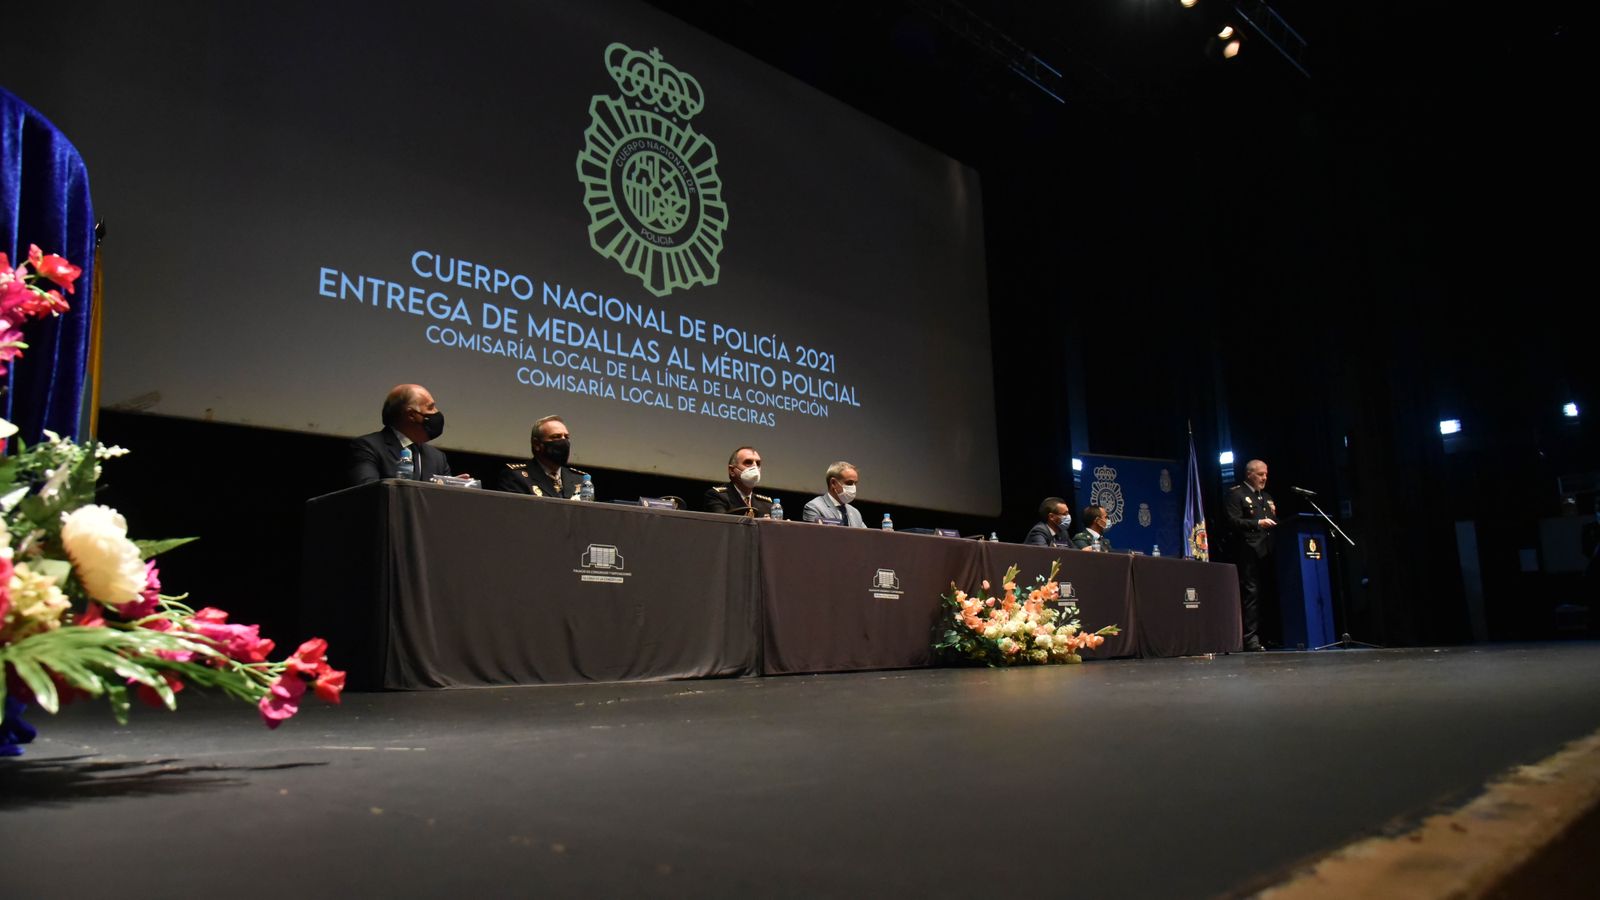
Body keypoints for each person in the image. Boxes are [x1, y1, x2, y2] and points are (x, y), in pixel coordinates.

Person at [346, 383, 462, 486]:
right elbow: (369, 492)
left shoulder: (437, 458)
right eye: (430, 407)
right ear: (411, 415)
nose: (436, 412)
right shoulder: (368, 447)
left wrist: (452, 489)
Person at [1225, 458, 1277, 651]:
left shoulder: (1266, 497)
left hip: (1268, 550)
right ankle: (1251, 638)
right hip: (1248, 550)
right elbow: (1233, 521)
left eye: (1266, 474)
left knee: (1268, 593)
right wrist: (1257, 524)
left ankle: (1269, 635)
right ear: (1249, 474)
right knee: (1251, 594)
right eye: (1260, 474)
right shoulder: (1237, 494)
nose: (1264, 478)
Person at [492, 415, 587, 498]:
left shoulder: (580, 479)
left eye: (566, 437)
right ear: (537, 444)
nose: (563, 442)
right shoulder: (517, 477)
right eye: (556, 437)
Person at [701, 446, 775, 518]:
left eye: (758, 463)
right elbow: (723, 526)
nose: (754, 467)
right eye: (748, 462)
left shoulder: (767, 504)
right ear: (732, 470)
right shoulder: (717, 496)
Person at [802, 461, 866, 527]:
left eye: (855, 483)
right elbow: (814, 536)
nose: (853, 487)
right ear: (833, 483)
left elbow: (867, 536)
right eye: (849, 483)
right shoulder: (814, 507)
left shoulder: (855, 513)